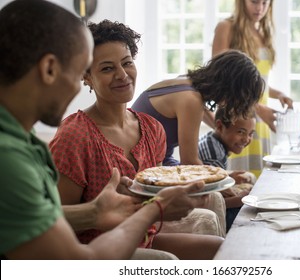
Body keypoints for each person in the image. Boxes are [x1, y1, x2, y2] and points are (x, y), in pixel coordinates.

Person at [0, 0, 220, 260]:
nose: (74, 90)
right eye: (77, 72)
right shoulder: (11, 159)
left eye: (126, 63)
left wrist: (94, 211)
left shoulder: (23, 142)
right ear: (51, 69)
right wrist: (154, 209)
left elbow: (45, 214)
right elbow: (83, 261)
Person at [131, 50, 264, 166]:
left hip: (156, 161)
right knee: (220, 193)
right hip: (143, 165)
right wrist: (226, 180)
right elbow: (189, 162)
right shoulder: (192, 100)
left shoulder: (188, 83)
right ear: (232, 89)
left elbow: (215, 125)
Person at [212, 0, 293, 177]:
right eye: (255, 2)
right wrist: (256, 107)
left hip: (258, 122)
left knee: (257, 185)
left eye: (265, 3)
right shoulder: (226, 27)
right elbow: (219, 79)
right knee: (234, 184)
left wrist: (277, 93)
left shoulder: (264, 33)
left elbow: (256, 81)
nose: (260, 8)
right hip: (236, 118)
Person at [198, 107, 256, 231]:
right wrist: (242, 199)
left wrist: (229, 178)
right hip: (203, 202)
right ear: (219, 126)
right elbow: (213, 200)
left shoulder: (212, 139)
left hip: (210, 194)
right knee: (245, 210)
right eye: (241, 132)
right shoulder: (214, 157)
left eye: (250, 134)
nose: (246, 139)